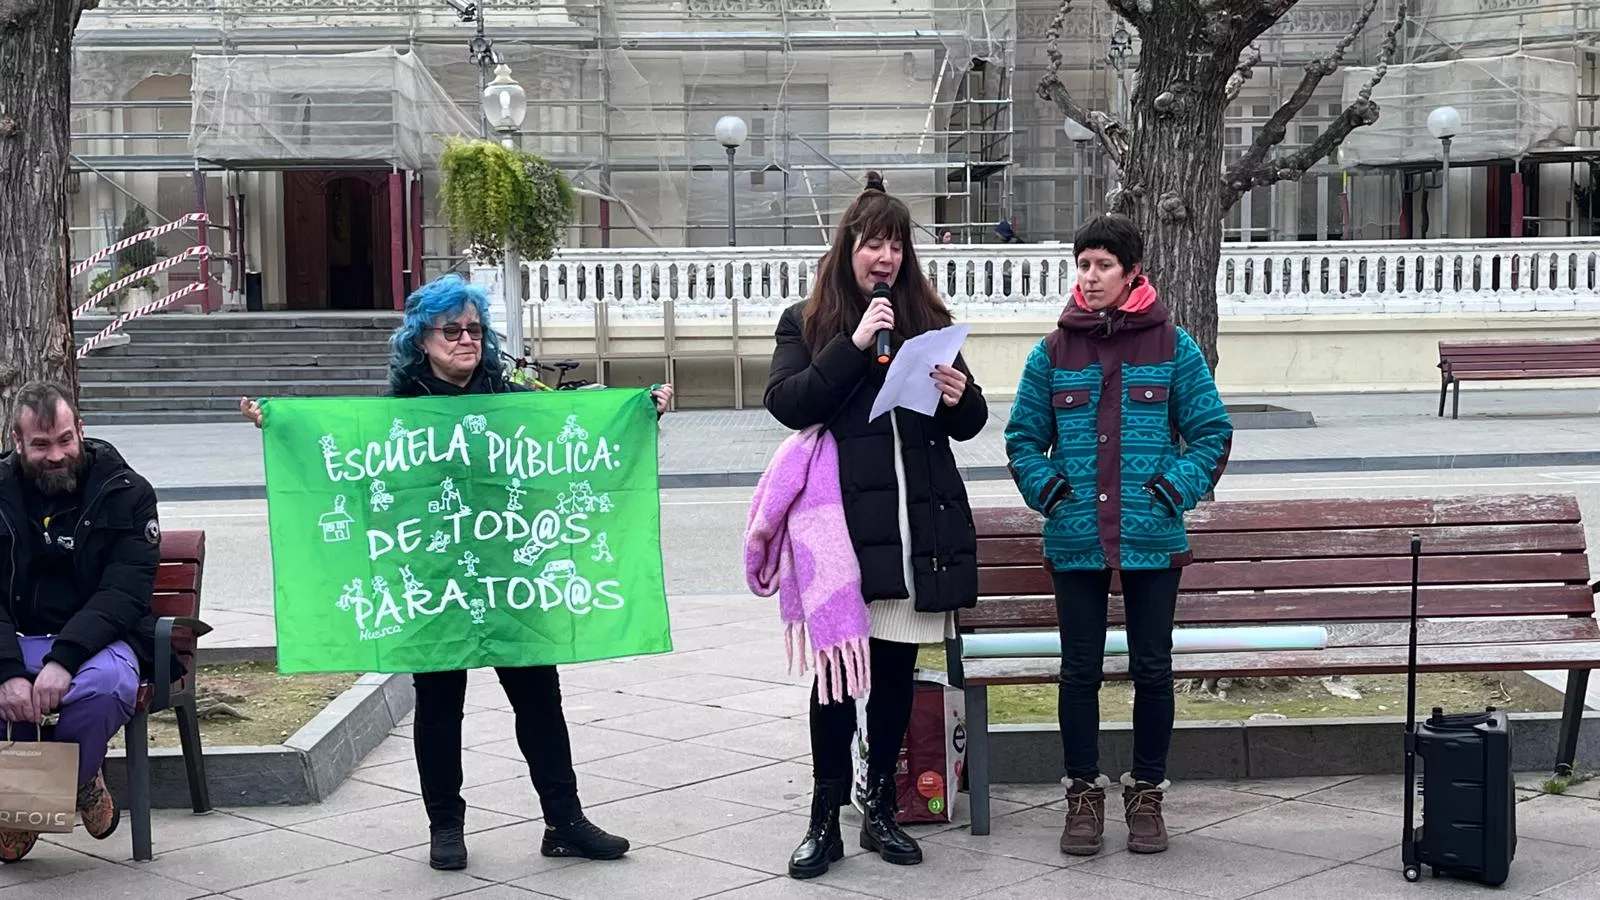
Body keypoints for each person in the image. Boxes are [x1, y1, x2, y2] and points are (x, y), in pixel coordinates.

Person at [241, 274, 673, 872]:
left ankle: (565, 822)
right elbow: (345, 465)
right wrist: (281, 426)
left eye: (474, 328)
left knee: (539, 699)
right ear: (422, 339)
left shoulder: (511, 393)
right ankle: (445, 826)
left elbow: (570, 436)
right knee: (440, 705)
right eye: (452, 330)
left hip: (513, 572)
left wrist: (638, 410)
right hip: (432, 577)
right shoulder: (396, 412)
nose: (466, 339)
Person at [762, 171, 987, 879]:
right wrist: (855, 343)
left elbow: (970, 424)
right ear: (847, 248)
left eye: (895, 245)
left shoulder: (925, 317)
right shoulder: (808, 320)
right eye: (872, 244)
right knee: (834, 680)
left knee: (892, 676)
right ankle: (824, 819)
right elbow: (790, 404)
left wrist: (959, 394)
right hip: (840, 537)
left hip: (913, 528)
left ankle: (881, 810)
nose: (884, 258)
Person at [1003, 214, 1232, 857]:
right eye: (1083, 264)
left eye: (1104, 265)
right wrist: (1052, 495)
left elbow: (1211, 432)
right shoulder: (1051, 352)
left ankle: (1147, 795)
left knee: (1153, 670)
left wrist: (1168, 492)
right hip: (1076, 538)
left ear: (1132, 272)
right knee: (1078, 672)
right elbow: (1023, 440)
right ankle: (1082, 794)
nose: (1091, 276)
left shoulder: (1173, 347)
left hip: (1152, 539)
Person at [0, 381, 163, 862]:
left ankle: (33, 797)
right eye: (41, 444)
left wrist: (65, 658)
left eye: (65, 440)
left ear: (81, 431)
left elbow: (125, 591)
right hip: (14, 635)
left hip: (100, 640)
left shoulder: (127, 492)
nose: (56, 455)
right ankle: (70, 784)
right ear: (16, 441)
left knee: (107, 687)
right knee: (8, 692)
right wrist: (8, 669)